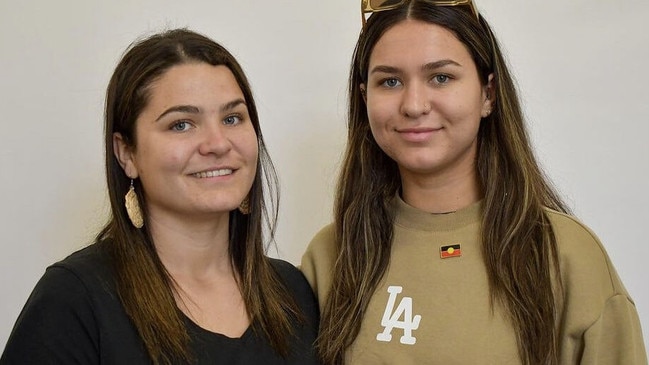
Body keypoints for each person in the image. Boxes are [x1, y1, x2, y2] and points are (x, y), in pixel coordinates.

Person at [300, 1, 647, 364]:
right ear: (364, 97)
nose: (414, 105)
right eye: (390, 81)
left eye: (441, 77)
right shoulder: (329, 256)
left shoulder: (568, 255)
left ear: (488, 93)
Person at [1, 29, 319, 364]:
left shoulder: (292, 290)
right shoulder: (74, 299)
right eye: (181, 124)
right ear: (127, 154)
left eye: (232, 118)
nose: (218, 143)